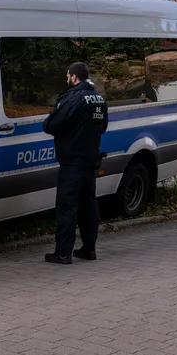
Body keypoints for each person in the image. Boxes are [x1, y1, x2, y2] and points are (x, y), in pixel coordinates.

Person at [42, 62, 108, 265]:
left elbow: (50, 125)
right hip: (91, 159)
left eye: (67, 76)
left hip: (72, 161)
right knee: (88, 204)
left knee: (67, 206)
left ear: (73, 77)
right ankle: (89, 249)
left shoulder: (73, 98)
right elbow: (102, 127)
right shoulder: (98, 98)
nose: (67, 79)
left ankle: (63, 253)